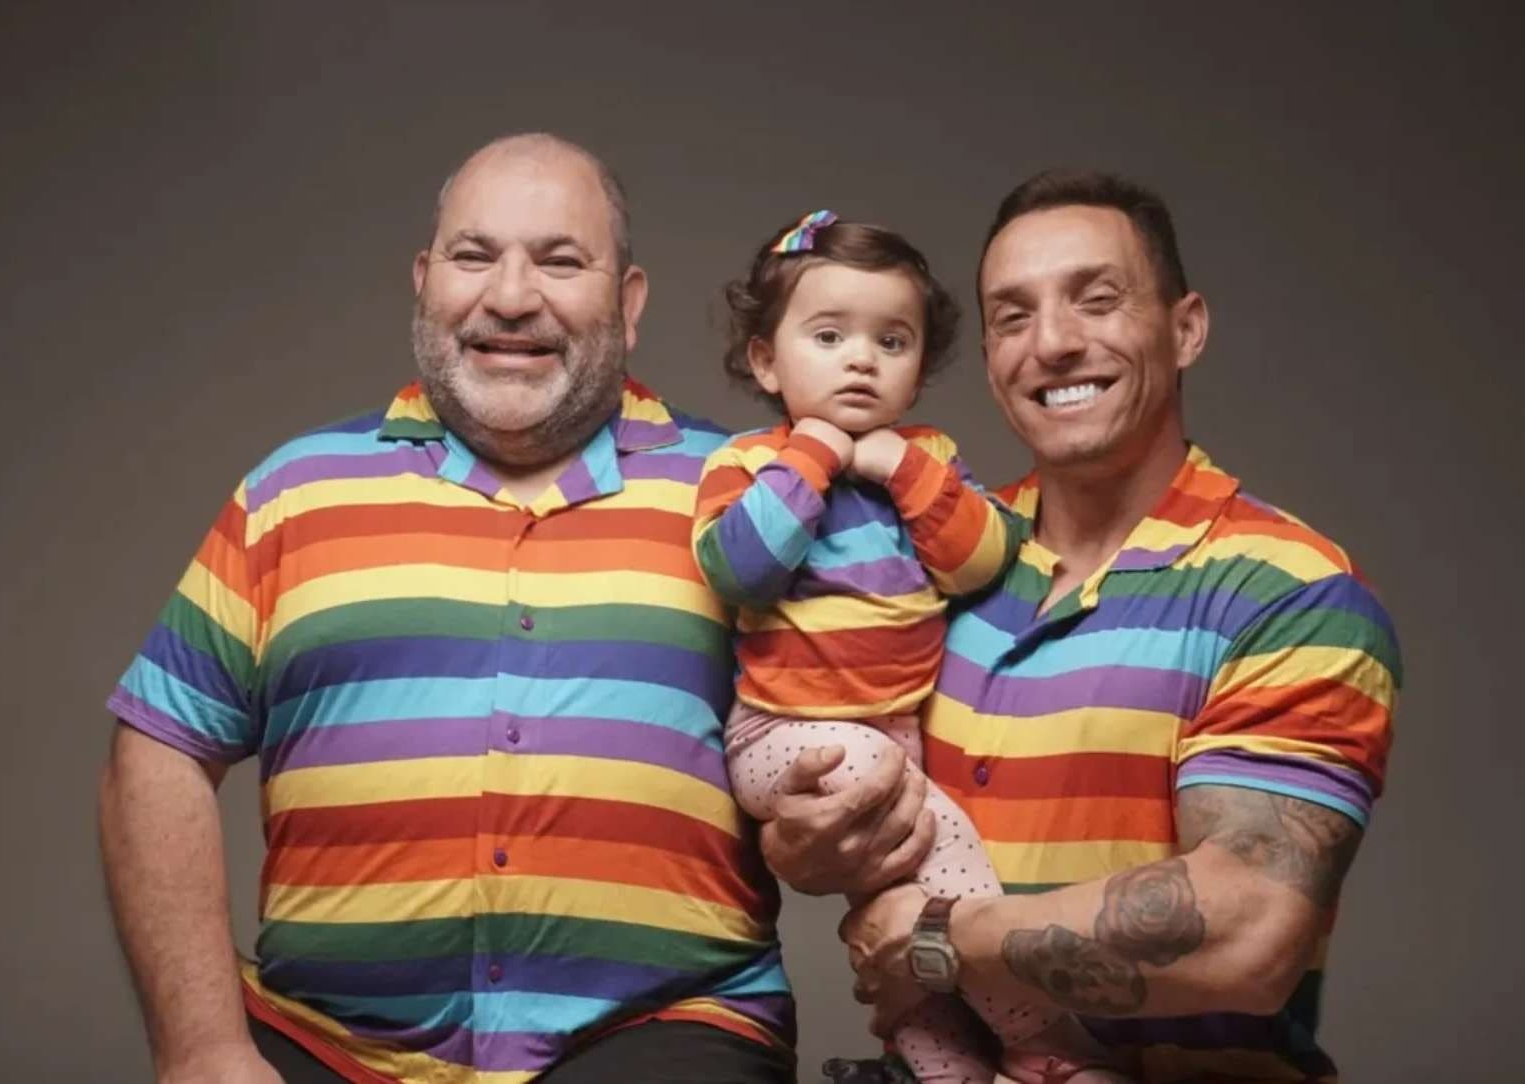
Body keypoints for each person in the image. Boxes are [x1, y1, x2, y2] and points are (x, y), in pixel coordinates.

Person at [98, 133, 796, 1084]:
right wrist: (203, 1048)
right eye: (475, 256)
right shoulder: (293, 493)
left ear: (629, 304)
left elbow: (854, 719)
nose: (510, 297)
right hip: (324, 1044)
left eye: (560, 261)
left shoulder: (748, 497)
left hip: (663, 1032)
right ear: (425, 283)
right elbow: (156, 750)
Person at [763, 171, 1399, 1083]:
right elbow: (821, 763)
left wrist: (940, 939)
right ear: (990, 357)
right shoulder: (929, 556)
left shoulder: (1291, 591)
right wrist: (806, 837)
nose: (1054, 343)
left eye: (1096, 301)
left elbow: (1248, 935)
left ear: (1186, 329)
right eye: (1013, 317)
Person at [693, 212, 1126, 1083]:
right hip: (784, 736)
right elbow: (741, 569)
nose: (861, 359)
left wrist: (899, 469)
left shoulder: (925, 461)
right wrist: (813, 456)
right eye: (829, 337)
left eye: (891, 341)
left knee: (901, 914)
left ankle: (951, 1069)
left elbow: (978, 561)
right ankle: (1044, 1033)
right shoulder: (749, 464)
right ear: (766, 361)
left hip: (896, 733)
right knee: (942, 836)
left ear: (920, 368)